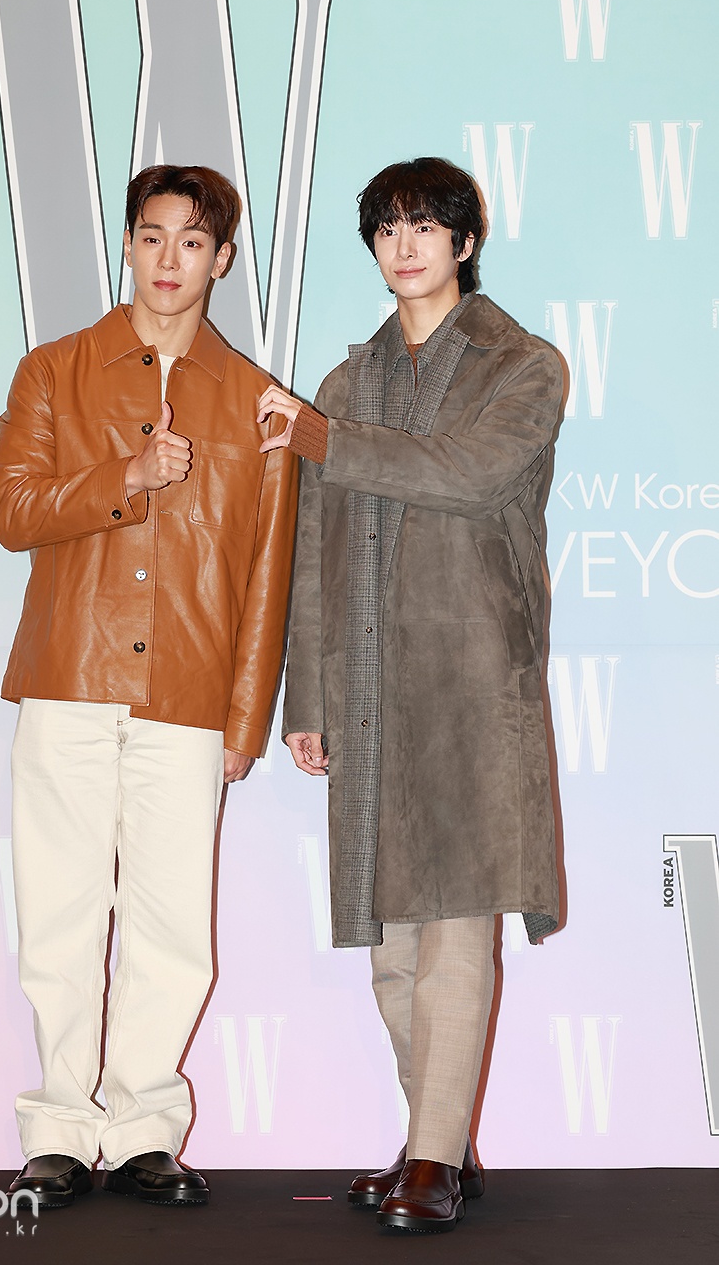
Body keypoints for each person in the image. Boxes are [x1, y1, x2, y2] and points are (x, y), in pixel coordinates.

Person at [257, 157, 563, 1234]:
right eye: (387, 227)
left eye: (427, 225)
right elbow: (313, 550)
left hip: (475, 676)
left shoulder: (524, 366)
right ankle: (443, 1143)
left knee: (457, 929)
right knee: (390, 945)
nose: (405, 244)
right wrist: (307, 695)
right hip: (369, 684)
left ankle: (429, 1155)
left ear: (465, 242)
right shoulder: (346, 385)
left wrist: (324, 441)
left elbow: (467, 475)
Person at [0, 164, 297, 1209]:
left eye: (193, 241)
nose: (171, 260)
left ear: (223, 258)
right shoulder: (53, 371)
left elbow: (267, 571)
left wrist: (245, 716)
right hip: (69, 678)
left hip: (190, 696)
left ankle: (145, 1132)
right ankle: (59, 1129)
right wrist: (124, 477)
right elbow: (10, 510)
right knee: (61, 915)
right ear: (127, 245)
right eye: (154, 237)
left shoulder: (255, 400)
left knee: (172, 929)